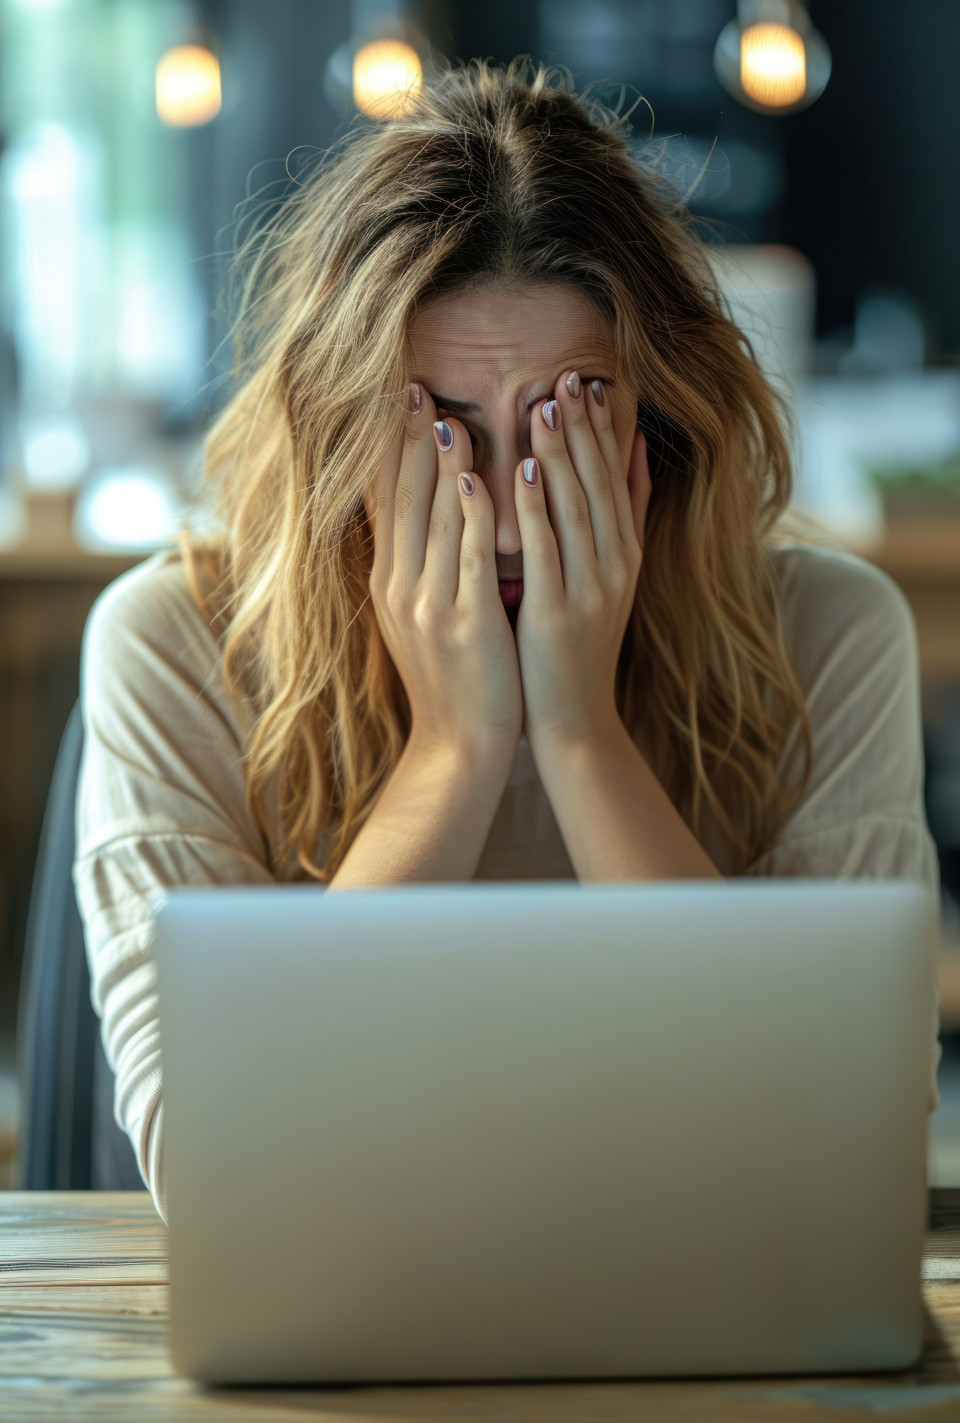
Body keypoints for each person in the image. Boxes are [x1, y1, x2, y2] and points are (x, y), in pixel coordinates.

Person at [73, 57, 942, 1227]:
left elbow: (845, 1150)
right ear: (342, 432)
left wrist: (582, 733)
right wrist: (457, 747)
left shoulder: (829, 635)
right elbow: (221, 1171)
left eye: (566, 420)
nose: (498, 501)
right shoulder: (171, 643)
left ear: (660, 418)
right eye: (442, 434)